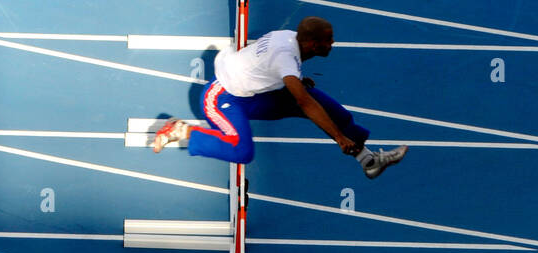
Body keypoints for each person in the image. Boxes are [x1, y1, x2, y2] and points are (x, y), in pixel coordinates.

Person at [152, 16, 407, 179]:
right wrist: (339, 138)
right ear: (312, 45)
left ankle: (369, 161)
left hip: (257, 92)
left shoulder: (287, 39)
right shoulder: (285, 56)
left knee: (335, 114)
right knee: (242, 151)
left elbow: (269, 65)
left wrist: (294, 79)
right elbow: (304, 103)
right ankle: (181, 130)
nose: (333, 43)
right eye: (328, 40)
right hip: (223, 97)